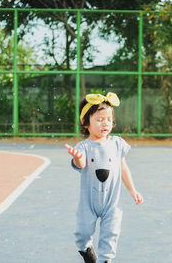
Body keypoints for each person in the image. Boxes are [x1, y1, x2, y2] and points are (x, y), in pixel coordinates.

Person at [65, 92, 143, 263]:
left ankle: (105, 260)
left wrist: (133, 190)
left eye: (108, 119)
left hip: (112, 203)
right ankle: (86, 250)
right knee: (82, 234)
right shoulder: (84, 146)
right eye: (99, 120)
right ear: (86, 123)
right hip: (89, 203)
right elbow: (81, 164)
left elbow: (123, 168)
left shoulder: (117, 144)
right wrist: (77, 157)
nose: (105, 123)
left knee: (111, 235)